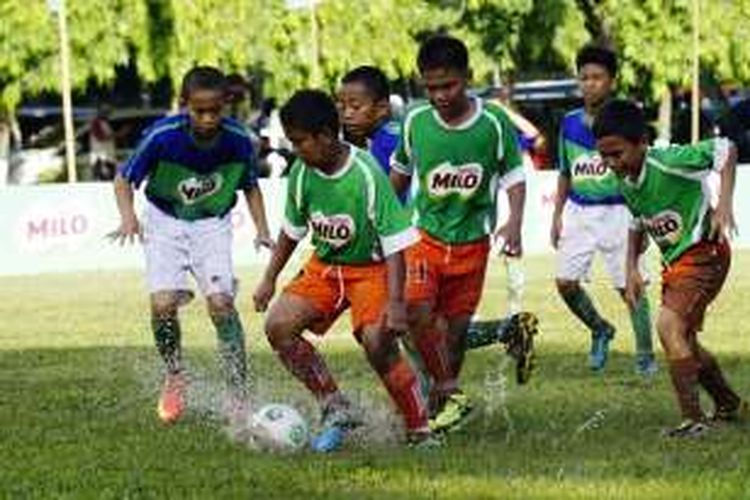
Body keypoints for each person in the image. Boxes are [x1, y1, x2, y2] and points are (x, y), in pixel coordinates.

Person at [252, 89, 437, 452]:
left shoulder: (366, 174)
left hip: (371, 270)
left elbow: (395, 243)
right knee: (278, 327)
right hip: (326, 268)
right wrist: (269, 278)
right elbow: (292, 231)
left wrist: (396, 302)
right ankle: (336, 406)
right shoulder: (303, 172)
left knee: (377, 342)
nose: (296, 150)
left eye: (300, 142)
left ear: (325, 135)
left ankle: (420, 429)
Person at [390, 34, 538, 434]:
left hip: (473, 245)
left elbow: (514, 175)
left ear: (468, 77)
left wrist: (514, 221)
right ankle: (440, 390)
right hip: (425, 238)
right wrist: (383, 229)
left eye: (448, 85)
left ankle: (443, 407)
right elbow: (398, 180)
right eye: (431, 87)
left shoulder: (492, 123)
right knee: (417, 313)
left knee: (454, 337)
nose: (439, 95)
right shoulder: (415, 122)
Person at [112, 66, 273, 426]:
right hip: (164, 221)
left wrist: (262, 229)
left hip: (211, 225)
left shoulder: (238, 140)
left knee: (220, 303)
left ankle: (238, 394)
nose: (208, 118)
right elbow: (123, 179)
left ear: (226, 105)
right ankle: (174, 374)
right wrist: (127, 217)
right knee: (163, 304)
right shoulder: (163, 135)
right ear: (185, 105)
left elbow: (250, 186)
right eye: (199, 111)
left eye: (215, 110)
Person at [593, 99, 747, 437]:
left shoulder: (669, 162)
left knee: (668, 326)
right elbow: (637, 220)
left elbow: (726, 148)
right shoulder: (625, 178)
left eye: (616, 154)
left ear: (642, 144)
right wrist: (631, 266)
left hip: (704, 251)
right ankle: (728, 403)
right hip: (676, 263)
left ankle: (693, 421)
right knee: (685, 341)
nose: (610, 163)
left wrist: (723, 205)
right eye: (604, 156)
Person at [550, 45, 657, 375]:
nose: (590, 84)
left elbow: (643, 167)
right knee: (565, 283)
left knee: (630, 286)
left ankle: (645, 357)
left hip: (620, 211)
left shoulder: (626, 117)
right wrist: (556, 215)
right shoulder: (568, 123)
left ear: (612, 80)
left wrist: (647, 219)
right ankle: (600, 329)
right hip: (580, 212)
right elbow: (565, 172)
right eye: (584, 77)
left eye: (597, 77)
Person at [90, 104, 118, 181]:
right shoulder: (96, 123)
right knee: (103, 180)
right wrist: (115, 135)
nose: (107, 114)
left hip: (109, 155)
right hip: (100, 156)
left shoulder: (106, 122)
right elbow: (100, 137)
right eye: (106, 112)